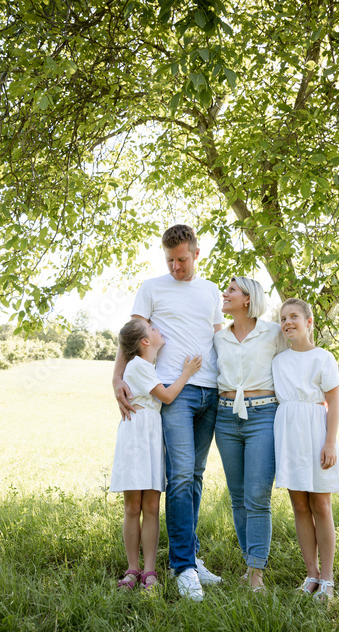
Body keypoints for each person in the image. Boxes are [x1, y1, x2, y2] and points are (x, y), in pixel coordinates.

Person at [112, 224, 224, 601]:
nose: (176, 267)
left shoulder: (211, 291)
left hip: (211, 391)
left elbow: (219, 338)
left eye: (182, 259)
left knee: (194, 476)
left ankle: (191, 555)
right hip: (175, 395)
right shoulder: (152, 288)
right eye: (170, 260)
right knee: (177, 477)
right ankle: (182, 568)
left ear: (196, 254)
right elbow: (129, 336)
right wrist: (117, 380)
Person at [110, 318, 202, 592]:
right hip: (136, 437)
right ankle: (132, 568)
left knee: (151, 507)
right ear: (145, 342)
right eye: (153, 328)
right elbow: (167, 396)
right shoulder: (138, 366)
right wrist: (187, 373)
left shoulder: (147, 366)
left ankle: (149, 570)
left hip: (151, 438)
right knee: (133, 507)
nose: (159, 329)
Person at [212, 277, 287, 592]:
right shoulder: (218, 337)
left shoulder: (272, 332)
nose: (224, 295)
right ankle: (248, 562)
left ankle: (256, 574)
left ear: (248, 299)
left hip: (262, 415)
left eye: (231, 291)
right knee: (238, 497)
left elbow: (296, 360)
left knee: (258, 497)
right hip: (226, 417)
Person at [272, 297, 339, 602]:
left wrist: (330, 442)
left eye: (293, 317)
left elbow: (335, 402)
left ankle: (327, 579)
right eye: (283, 318)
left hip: (315, 432)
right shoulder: (278, 361)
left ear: (308, 322)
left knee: (321, 506)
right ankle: (311, 573)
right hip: (288, 434)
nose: (288, 323)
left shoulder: (323, 358)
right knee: (299, 506)